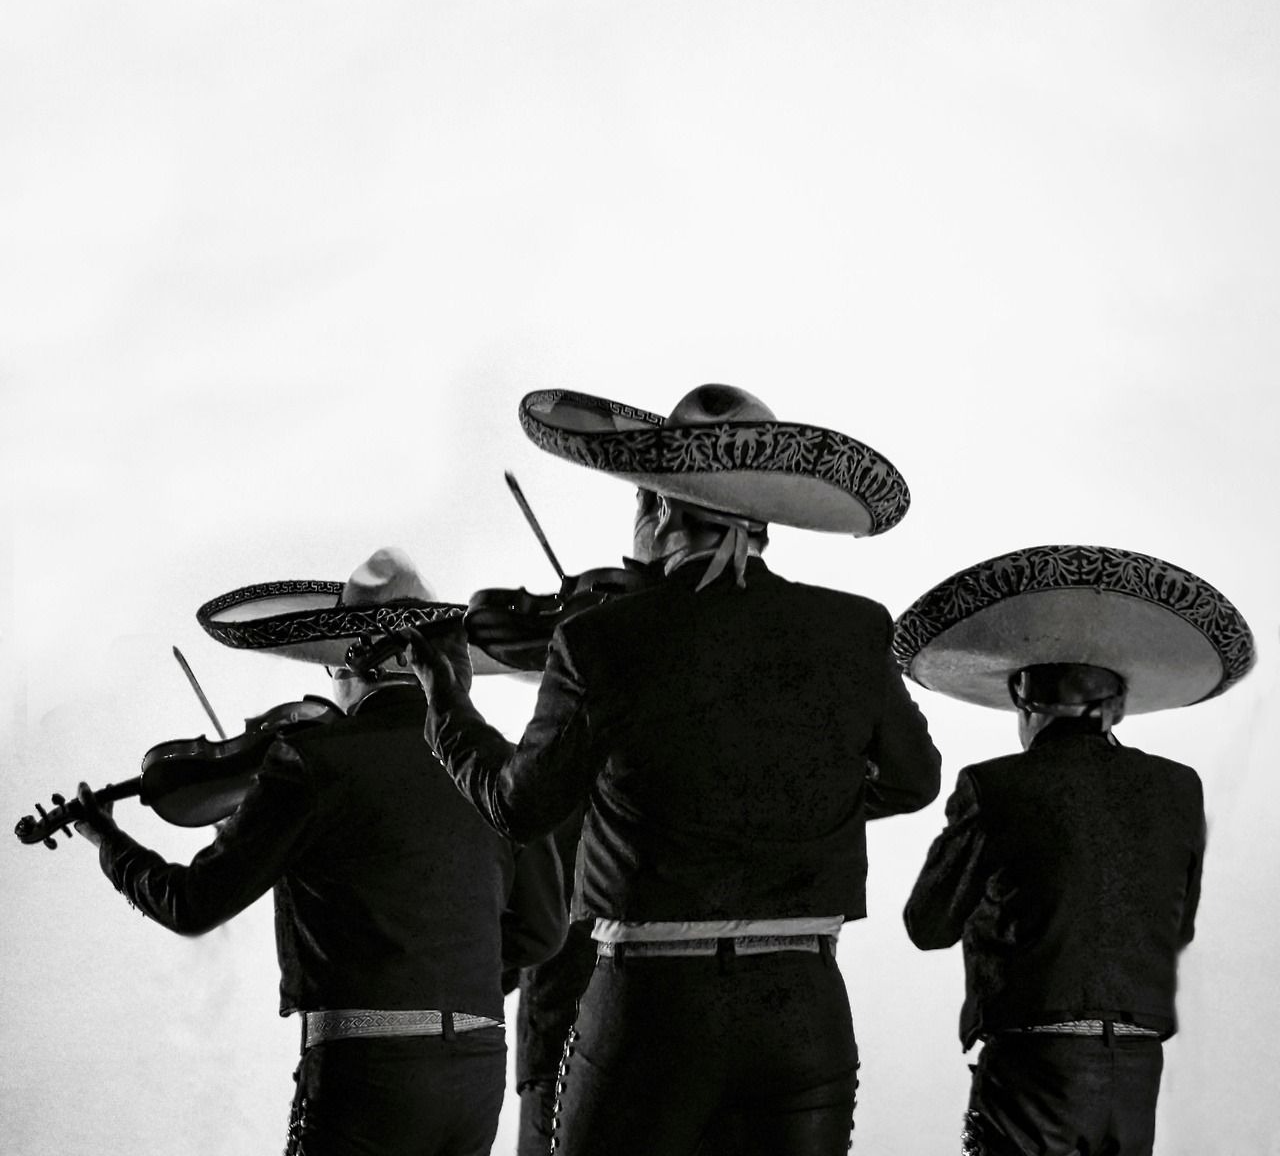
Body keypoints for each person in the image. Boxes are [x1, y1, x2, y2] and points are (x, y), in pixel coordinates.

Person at [411, 384, 941, 1156]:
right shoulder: (852, 626)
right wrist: (788, 799)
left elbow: (518, 807)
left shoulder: (602, 639)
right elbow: (914, 779)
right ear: (765, 520)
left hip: (652, 1003)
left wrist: (446, 703)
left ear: (659, 510)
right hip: (803, 1003)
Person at [74, 547, 568, 1156]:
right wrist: (450, 990)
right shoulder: (496, 760)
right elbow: (544, 931)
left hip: (365, 1073)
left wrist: (109, 842)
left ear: (349, 663)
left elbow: (191, 904)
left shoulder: (313, 762)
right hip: (475, 1068)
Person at [895, 544, 1257, 1156]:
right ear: (1114, 709)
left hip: (1036, 1069)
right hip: (1136, 1070)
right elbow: (1178, 926)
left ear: (1025, 705)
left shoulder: (995, 785)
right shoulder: (1178, 788)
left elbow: (927, 925)